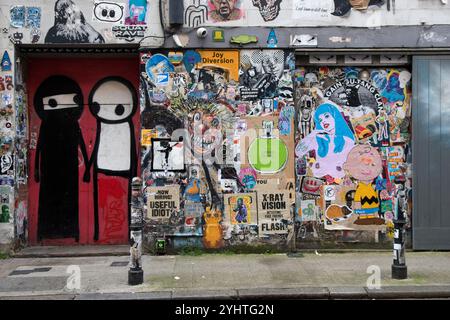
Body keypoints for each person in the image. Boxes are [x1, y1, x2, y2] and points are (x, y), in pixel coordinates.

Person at [295, 102, 355, 179]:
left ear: (335, 116)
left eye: (326, 116)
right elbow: (298, 152)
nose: (323, 121)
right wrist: (313, 134)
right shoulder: (319, 138)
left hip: (341, 180)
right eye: (320, 120)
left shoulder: (348, 139)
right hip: (317, 178)